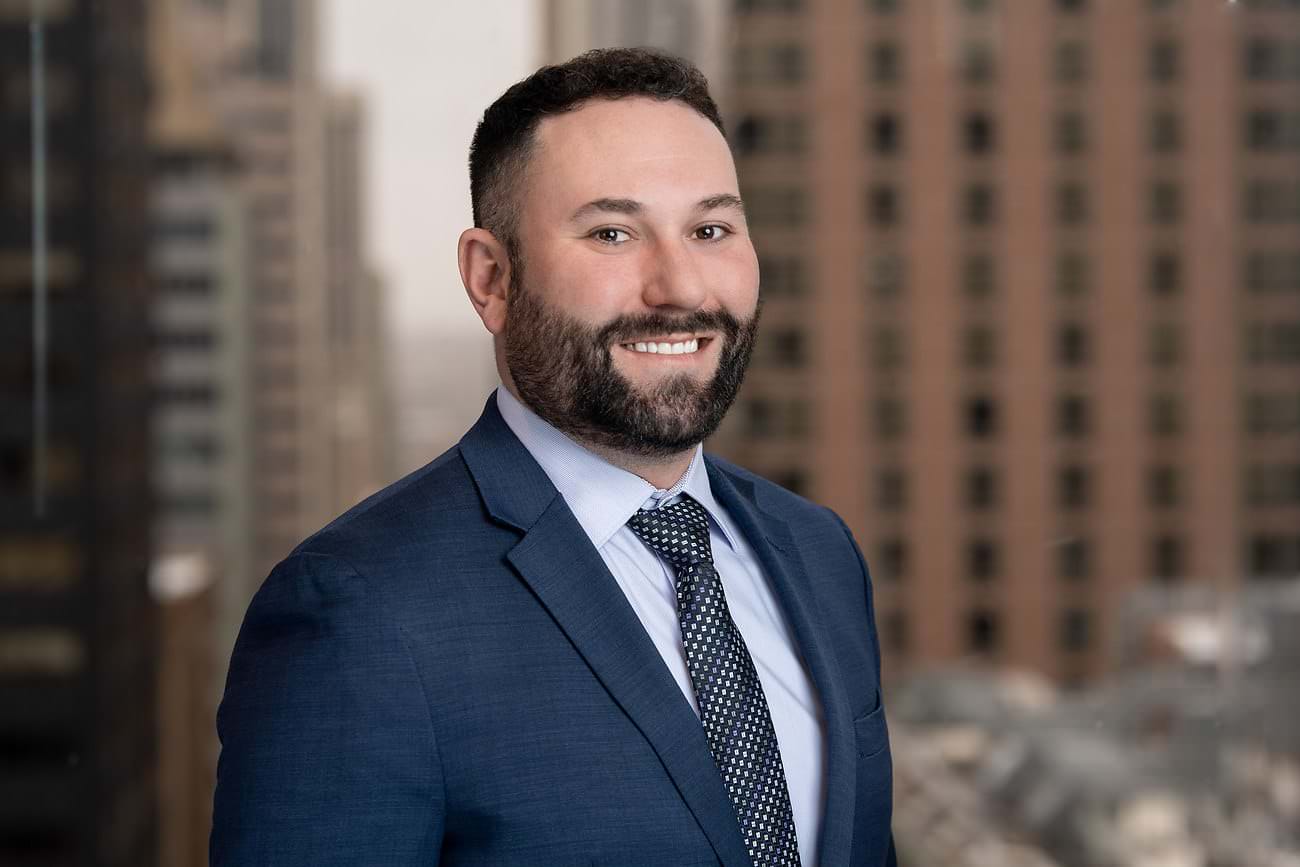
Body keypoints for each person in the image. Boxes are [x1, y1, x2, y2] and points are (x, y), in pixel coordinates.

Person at [210, 48, 895, 867]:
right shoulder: (358, 615)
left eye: (711, 229)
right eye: (613, 232)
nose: (679, 286)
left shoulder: (819, 552)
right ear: (491, 278)